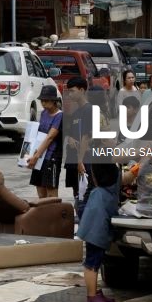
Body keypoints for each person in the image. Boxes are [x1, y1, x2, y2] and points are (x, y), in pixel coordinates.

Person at [77, 150, 137, 302]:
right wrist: (147, 151)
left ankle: (94, 293)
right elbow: (122, 160)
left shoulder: (102, 163)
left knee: (95, 257)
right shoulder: (101, 155)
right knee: (92, 260)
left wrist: (140, 164)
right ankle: (91, 297)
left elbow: (124, 179)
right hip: (97, 218)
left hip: (97, 215)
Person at [63, 77, 93, 219]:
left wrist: (80, 161)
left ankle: (85, 220)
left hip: (85, 160)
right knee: (77, 192)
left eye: (72, 91)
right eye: (68, 92)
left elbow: (88, 136)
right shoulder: (74, 113)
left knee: (86, 193)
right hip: (73, 158)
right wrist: (69, 139)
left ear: (82, 90)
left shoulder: (90, 110)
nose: (70, 94)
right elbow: (69, 133)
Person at [27, 85, 63, 198]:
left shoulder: (60, 116)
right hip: (40, 156)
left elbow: (50, 137)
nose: (43, 103)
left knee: (51, 191)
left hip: (51, 157)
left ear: (53, 101)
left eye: (46, 101)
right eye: (42, 101)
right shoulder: (43, 114)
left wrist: (36, 156)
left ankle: (53, 215)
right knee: (40, 189)